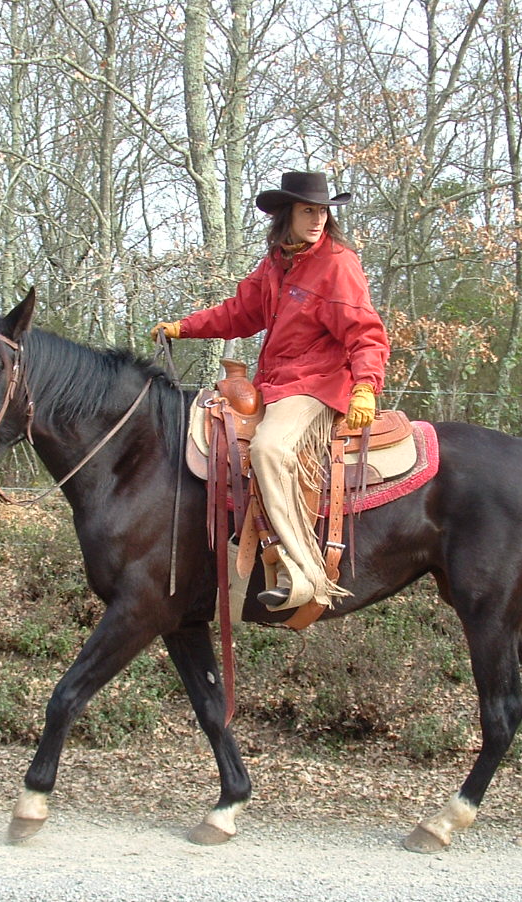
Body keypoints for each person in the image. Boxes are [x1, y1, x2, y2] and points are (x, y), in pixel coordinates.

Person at [152, 170, 390, 612]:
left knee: (269, 449)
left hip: (317, 383)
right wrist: (185, 327)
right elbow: (239, 312)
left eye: (322, 211)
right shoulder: (277, 264)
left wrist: (365, 387)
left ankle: (304, 574)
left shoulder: (337, 263)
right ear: (286, 216)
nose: (317, 219)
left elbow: (366, 332)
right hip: (277, 384)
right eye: (307, 211)